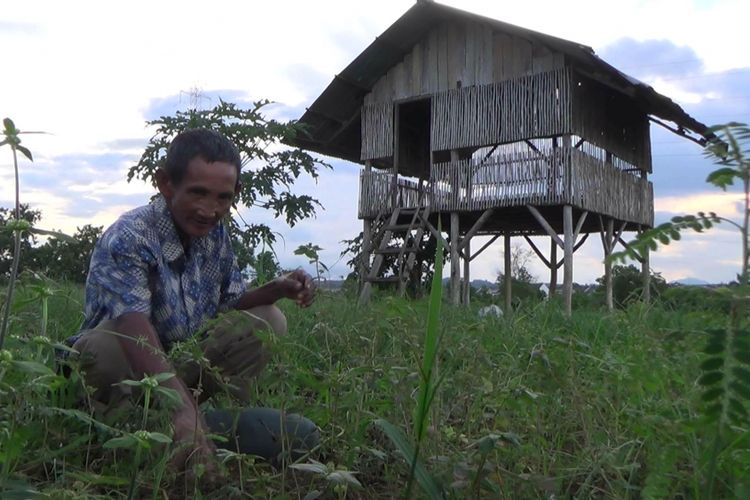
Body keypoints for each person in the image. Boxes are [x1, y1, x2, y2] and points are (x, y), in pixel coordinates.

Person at [68, 128, 318, 479]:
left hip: (181, 361)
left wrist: (275, 289)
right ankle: (120, 428)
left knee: (268, 320)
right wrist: (182, 409)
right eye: (198, 193)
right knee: (101, 345)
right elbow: (132, 324)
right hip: (127, 371)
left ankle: (185, 428)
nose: (209, 209)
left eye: (222, 198)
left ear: (235, 195)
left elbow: (230, 304)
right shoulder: (130, 236)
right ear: (166, 184)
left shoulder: (215, 235)